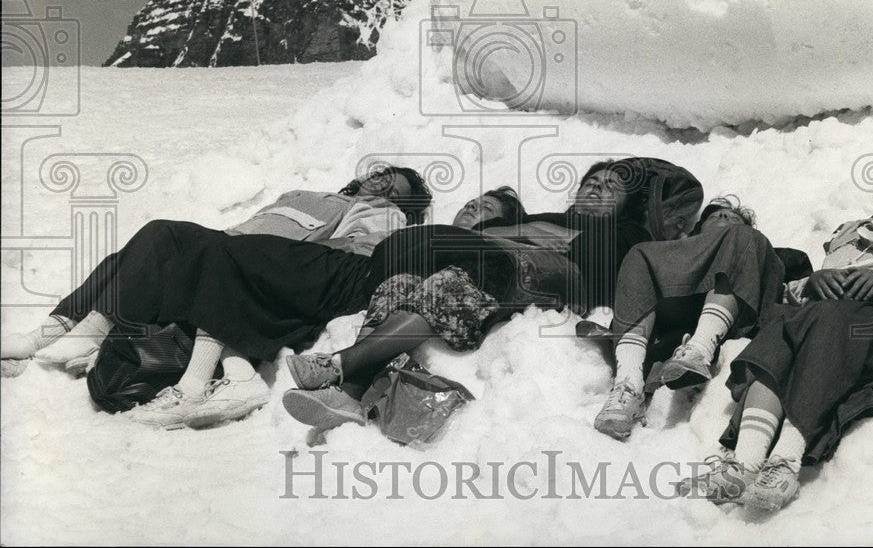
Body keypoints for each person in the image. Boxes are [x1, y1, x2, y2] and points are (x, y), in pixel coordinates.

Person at [680, 162, 873, 511]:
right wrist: (813, 282)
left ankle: (785, 461)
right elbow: (791, 292)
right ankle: (744, 462)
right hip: (819, 316)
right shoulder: (854, 238)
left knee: (830, 319)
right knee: (782, 328)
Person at [281, 161, 654, 432]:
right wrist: (533, 229)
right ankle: (349, 395)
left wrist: (527, 235)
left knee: (467, 270)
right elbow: (484, 232)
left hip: (562, 278)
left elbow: (592, 255)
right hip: (500, 261)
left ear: (626, 205)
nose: (596, 188)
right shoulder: (547, 216)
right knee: (403, 278)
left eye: (610, 187)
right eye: (592, 181)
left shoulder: (626, 229)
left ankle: (340, 363)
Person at [126, 186, 512, 430]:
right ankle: (237, 372)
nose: (471, 208)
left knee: (236, 254)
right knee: (233, 255)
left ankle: (204, 382)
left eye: (485, 209)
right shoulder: (427, 235)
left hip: (356, 274)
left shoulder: (490, 250)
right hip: (363, 269)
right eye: (472, 202)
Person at [0, 165, 429, 377]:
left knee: (161, 232)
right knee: (129, 257)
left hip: (244, 259)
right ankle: (54, 329)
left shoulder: (374, 210)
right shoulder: (306, 192)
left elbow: (356, 253)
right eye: (386, 176)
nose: (385, 185)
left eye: (396, 190)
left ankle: (94, 328)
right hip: (224, 241)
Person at [593, 196, 785, 440]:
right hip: (677, 309)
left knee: (742, 239)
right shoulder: (665, 255)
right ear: (700, 228)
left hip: (740, 313)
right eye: (715, 216)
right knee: (638, 252)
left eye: (734, 217)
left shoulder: (759, 244)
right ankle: (627, 387)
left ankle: (699, 350)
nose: (724, 216)